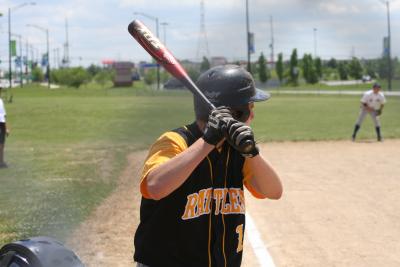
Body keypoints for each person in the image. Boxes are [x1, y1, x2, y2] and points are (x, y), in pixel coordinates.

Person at [133, 65, 283, 267]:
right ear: (235, 113)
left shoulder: (238, 150)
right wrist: (208, 141)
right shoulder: (175, 141)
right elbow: (155, 187)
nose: (253, 116)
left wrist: (252, 152)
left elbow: (274, 191)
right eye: (250, 107)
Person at [0, 87, 10, 168]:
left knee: (2, 143)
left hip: (1, 124)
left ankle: (1, 161)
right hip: (1, 124)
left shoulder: (0, 101)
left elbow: (3, 115)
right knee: (1, 143)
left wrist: (6, 128)